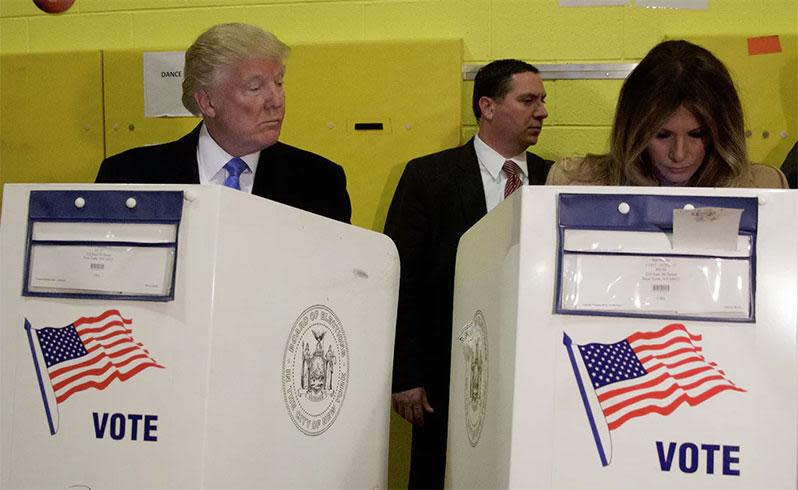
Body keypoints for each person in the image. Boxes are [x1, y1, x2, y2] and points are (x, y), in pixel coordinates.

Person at [384, 59, 551, 489]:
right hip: (446, 376)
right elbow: (401, 278)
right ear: (487, 106)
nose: (542, 112)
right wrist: (405, 375)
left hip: (534, 375)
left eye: (542, 101)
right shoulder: (428, 177)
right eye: (528, 100)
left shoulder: (558, 180)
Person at [96, 23, 351, 223]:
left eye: (279, 82)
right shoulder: (128, 178)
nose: (276, 100)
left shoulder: (320, 182)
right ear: (207, 102)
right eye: (255, 87)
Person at [546, 40, 788, 189]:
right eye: (661, 135)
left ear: (723, 132)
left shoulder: (764, 188)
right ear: (632, 130)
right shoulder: (575, 183)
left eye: (698, 134)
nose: (679, 154)